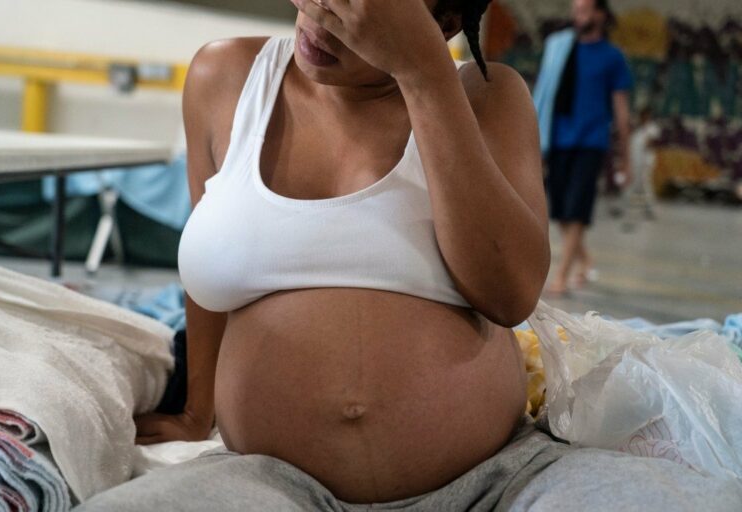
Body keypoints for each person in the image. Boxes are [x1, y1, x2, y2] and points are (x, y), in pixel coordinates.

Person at [77, 1, 742, 510]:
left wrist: (425, 75)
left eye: (360, 10)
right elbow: (205, 267)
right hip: (267, 479)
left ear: (441, 21)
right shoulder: (225, 76)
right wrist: (197, 410)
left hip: (499, 480)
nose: (322, 18)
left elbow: (509, 293)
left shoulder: (486, 97)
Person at [538, 0, 634, 294]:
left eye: (584, 10)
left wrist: (625, 158)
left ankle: (561, 276)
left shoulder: (613, 58)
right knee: (560, 211)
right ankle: (585, 259)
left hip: (591, 142)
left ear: (600, 15)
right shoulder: (561, 49)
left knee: (577, 209)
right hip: (557, 139)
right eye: (575, 10)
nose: (578, 16)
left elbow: (621, 111)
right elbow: (544, 93)